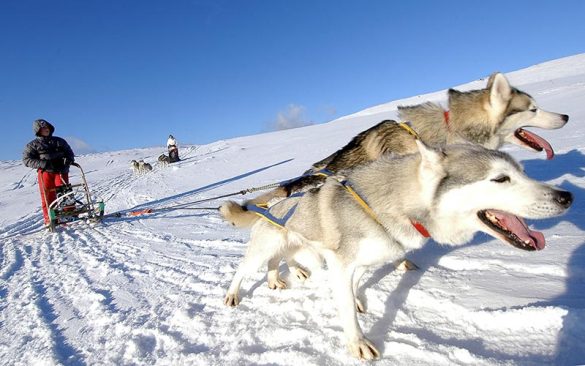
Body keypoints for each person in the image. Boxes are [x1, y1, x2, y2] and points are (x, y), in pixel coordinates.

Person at [23, 119, 75, 226]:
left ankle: (69, 214)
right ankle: (50, 218)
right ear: (38, 130)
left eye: (47, 127)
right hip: (46, 172)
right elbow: (27, 160)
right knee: (47, 195)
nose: (45, 130)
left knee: (65, 193)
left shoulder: (59, 141)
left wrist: (68, 159)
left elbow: (69, 152)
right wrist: (43, 164)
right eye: (43, 128)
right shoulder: (32, 145)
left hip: (61, 170)